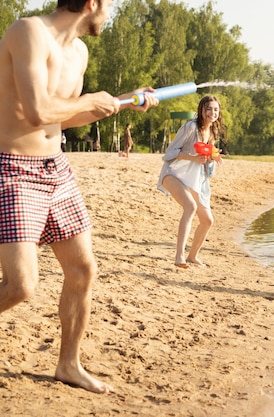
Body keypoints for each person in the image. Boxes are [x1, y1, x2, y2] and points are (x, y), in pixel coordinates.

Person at [0, 0, 158, 394]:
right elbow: (37, 110)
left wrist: (121, 101)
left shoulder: (80, 52)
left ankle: (68, 364)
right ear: (93, 3)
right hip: (14, 169)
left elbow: (65, 115)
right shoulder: (28, 32)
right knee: (20, 286)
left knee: (82, 270)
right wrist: (93, 100)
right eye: (110, 6)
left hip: (57, 169)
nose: (110, 14)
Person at [157, 95, 225, 268]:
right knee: (190, 207)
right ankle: (179, 256)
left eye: (215, 109)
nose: (212, 112)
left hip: (194, 178)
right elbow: (170, 152)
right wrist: (193, 158)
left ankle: (192, 256)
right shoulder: (190, 127)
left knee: (208, 220)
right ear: (201, 110)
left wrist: (212, 158)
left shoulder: (212, 132)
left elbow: (206, 167)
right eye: (209, 109)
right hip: (173, 173)